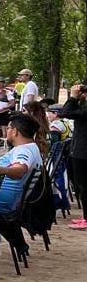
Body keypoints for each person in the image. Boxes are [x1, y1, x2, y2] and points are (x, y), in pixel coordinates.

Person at [0, 114, 42, 215]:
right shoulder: (30, 147)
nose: (6, 131)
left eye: (8, 128)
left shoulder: (24, 150)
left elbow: (20, 170)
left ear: (15, 131)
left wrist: (1, 170)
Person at [56, 88, 87, 228]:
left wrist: (73, 97)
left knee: (84, 185)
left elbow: (64, 113)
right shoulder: (83, 108)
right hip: (80, 150)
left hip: (83, 152)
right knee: (81, 184)